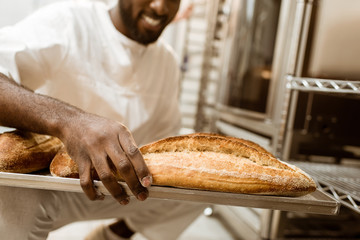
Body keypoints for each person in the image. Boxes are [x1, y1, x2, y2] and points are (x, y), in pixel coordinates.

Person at [0, 0, 204, 239]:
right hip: (52, 184)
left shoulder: (166, 62)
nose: (160, 8)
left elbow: (165, 140)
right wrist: (70, 122)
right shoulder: (71, 21)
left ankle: (111, 235)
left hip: (118, 188)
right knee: (11, 198)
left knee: (199, 187)